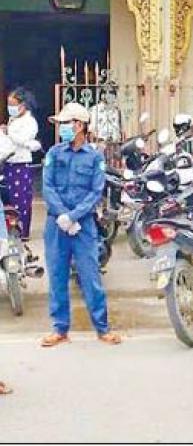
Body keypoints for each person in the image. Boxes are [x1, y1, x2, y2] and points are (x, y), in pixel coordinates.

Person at [40, 102, 121, 348]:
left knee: (90, 276)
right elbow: (47, 187)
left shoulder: (94, 157)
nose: (62, 128)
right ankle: (60, 329)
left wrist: (74, 217)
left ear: (79, 125)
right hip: (56, 224)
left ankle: (102, 328)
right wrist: (63, 216)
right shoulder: (54, 153)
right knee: (57, 276)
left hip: (83, 225)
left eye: (66, 123)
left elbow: (96, 192)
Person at [2, 88, 39, 241]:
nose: (10, 108)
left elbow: (24, 140)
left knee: (21, 199)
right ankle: (9, 229)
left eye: (13, 104)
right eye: (9, 104)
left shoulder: (30, 122)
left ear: (22, 105)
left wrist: (9, 133)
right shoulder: (13, 120)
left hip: (21, 164)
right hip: (8, 162)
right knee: (8, 198)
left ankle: (22, 231)